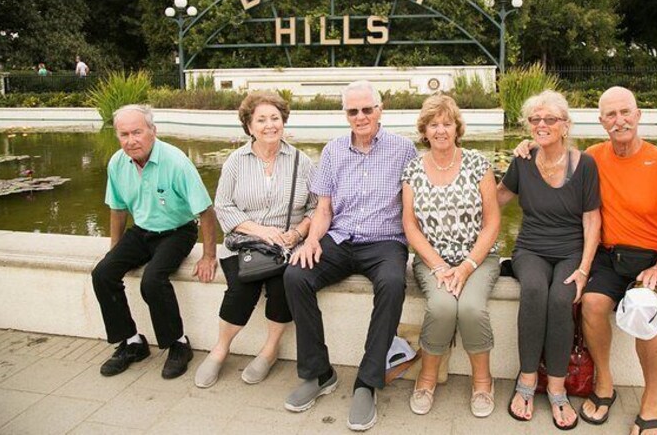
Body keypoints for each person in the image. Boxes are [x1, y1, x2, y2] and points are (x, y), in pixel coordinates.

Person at [515, 86, 657, 435]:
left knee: (643, 308)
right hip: (611, 257)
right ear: (601, 122)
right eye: (610, 115)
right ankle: (605, 384)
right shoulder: (593, 157)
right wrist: (531, 144)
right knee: (592, 305)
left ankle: (653, 399)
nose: (619, 120)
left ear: (638, 115)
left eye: (625, 112)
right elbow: (555, 153)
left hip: (655, 258)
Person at [284, 80, 417, 432]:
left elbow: (414, 204)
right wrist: (312, 240)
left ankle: (367, 381)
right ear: (346, 115)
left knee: (392, 282)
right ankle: (319, 373)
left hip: (385, 241)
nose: (360, 116)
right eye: (352, 111)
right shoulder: (333, 150)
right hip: (340, 238)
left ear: (380, 110)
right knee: (296, 275)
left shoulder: (404, 149)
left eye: (366, 109)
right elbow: (324, 207)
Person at [194, 91, 317, 389]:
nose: (269, 125)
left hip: (287, 246)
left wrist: (298, 233)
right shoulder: (236, 161)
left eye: (275, 118)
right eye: (261, 120)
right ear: (249, 126)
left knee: (284, 285)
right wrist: (261, 231)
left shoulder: (302, 161)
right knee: (242, 287)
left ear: (283, 122)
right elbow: (223, 205)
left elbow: (316, 207)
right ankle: (221, 348)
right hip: (246, 240)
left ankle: (270, 350)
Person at [91, 104, 218, 380]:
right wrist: (114, 252)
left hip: (178, 231)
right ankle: (132, 342)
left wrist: (209, 256)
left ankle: (178, 344)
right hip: (141, 230)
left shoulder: (176, 161)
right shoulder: (117, 163)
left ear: (152, 131)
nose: (130, 140)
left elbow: (206, 211)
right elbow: (117, 209)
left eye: (137, 132)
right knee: (103, 273)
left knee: (153, 280)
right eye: (123, 134)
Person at [498, 90, 600, 430]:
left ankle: (557, 387)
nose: (542, 125)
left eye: (550, 119)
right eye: (535, 119)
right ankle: (527, 380)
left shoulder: (584, 164)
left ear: (565, 125)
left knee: (561, 298)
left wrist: (584, 268)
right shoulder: (523, 160)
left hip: (571, 250)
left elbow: (592, 219)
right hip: (530, 249)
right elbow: (496, 198)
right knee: (534, 292)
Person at [402, 95, 501, 418]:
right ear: (424, 131)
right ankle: (427, 377)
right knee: (442, 306)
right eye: (434, 124)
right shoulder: (413, 169)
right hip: (433, 261)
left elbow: (493, 221)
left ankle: (483, 382)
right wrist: (441, 266)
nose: (441, 130)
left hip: (478, 258)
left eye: (447, 123)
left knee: (471, 308)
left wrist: (468, 265)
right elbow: (410, 225)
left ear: (457, 127)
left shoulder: (477, 163)